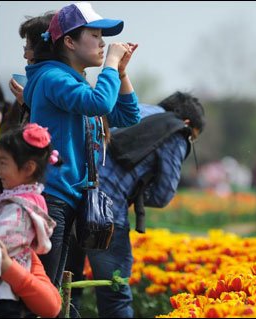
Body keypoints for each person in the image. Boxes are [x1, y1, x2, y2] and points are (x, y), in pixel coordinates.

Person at [23, 2, 140, 288]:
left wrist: (120, 72)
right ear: (69, 42)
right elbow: (99, 103)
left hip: (67, 198)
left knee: (54, 288)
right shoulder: (54, 79)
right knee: (45, 289)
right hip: (52, 197)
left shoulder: (74, 83)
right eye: (96, 36)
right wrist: (110, 64)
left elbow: (127, 115)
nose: (104, 44)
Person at [65, 92, 205, 318]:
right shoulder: (176, 130)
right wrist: (135, 191)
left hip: (68, 196)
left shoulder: (135, 109)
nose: (189, 140)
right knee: (114, 292)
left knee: (67, 288)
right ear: (187, 124)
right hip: (103, 212)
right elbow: (163, 194)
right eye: (193, 137)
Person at [0, 123, 59, 317]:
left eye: (2, 163)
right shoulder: (19, 201)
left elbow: (3, 243)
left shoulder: (22, 208)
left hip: (6, 297)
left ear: (28, 168)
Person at [8, 11, 55, 125]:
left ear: (42, 50)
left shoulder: (54, 82)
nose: (25, 55)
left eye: (27, 47)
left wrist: (29, 102)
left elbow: (47, 129)